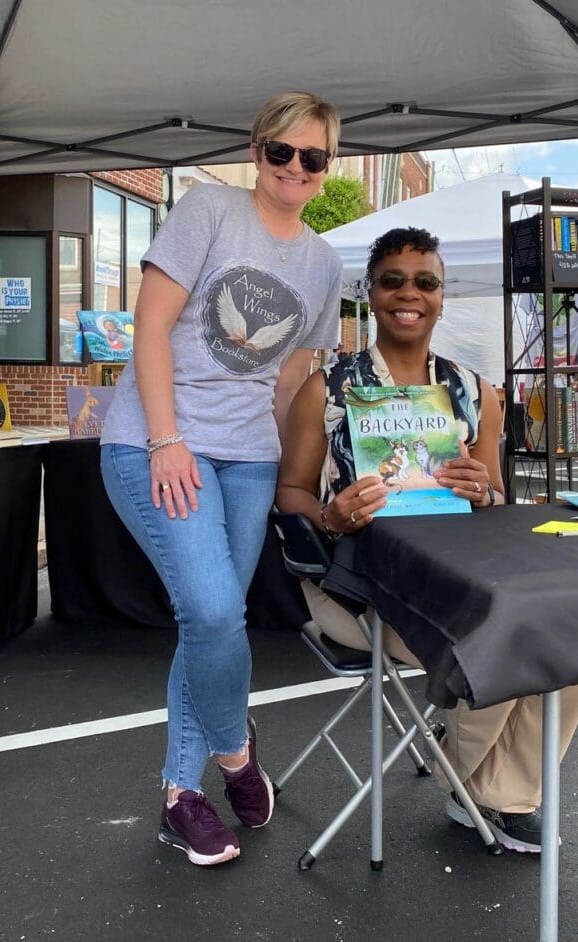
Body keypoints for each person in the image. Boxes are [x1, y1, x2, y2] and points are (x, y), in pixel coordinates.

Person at [276, 226, 578, 854]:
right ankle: (470, 781)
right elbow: (288, 494)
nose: (408, 293)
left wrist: (483, 491)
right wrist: (333, 515)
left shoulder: (476, 392)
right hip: (358, 587)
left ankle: (497, 792)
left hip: (459, 572)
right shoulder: (329, 389)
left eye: (425, 281)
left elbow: (498, 496)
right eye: (392, 280)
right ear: (370, 291)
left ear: (442, 295)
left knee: (568, 637)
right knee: (495, 633)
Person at [99, 91, 344, 867]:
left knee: (212, 626)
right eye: (282, 152)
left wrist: (295, 470)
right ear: (257, 148)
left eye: (313, 157)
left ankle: (181, 794)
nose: (295, 168)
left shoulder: (324, 261)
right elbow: (151, 326)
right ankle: (236, 758)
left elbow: (292, 378)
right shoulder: (207, 210)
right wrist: (167, 439)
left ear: (326, 165)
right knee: (209, 607)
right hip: (159, 440)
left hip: (250, 457)